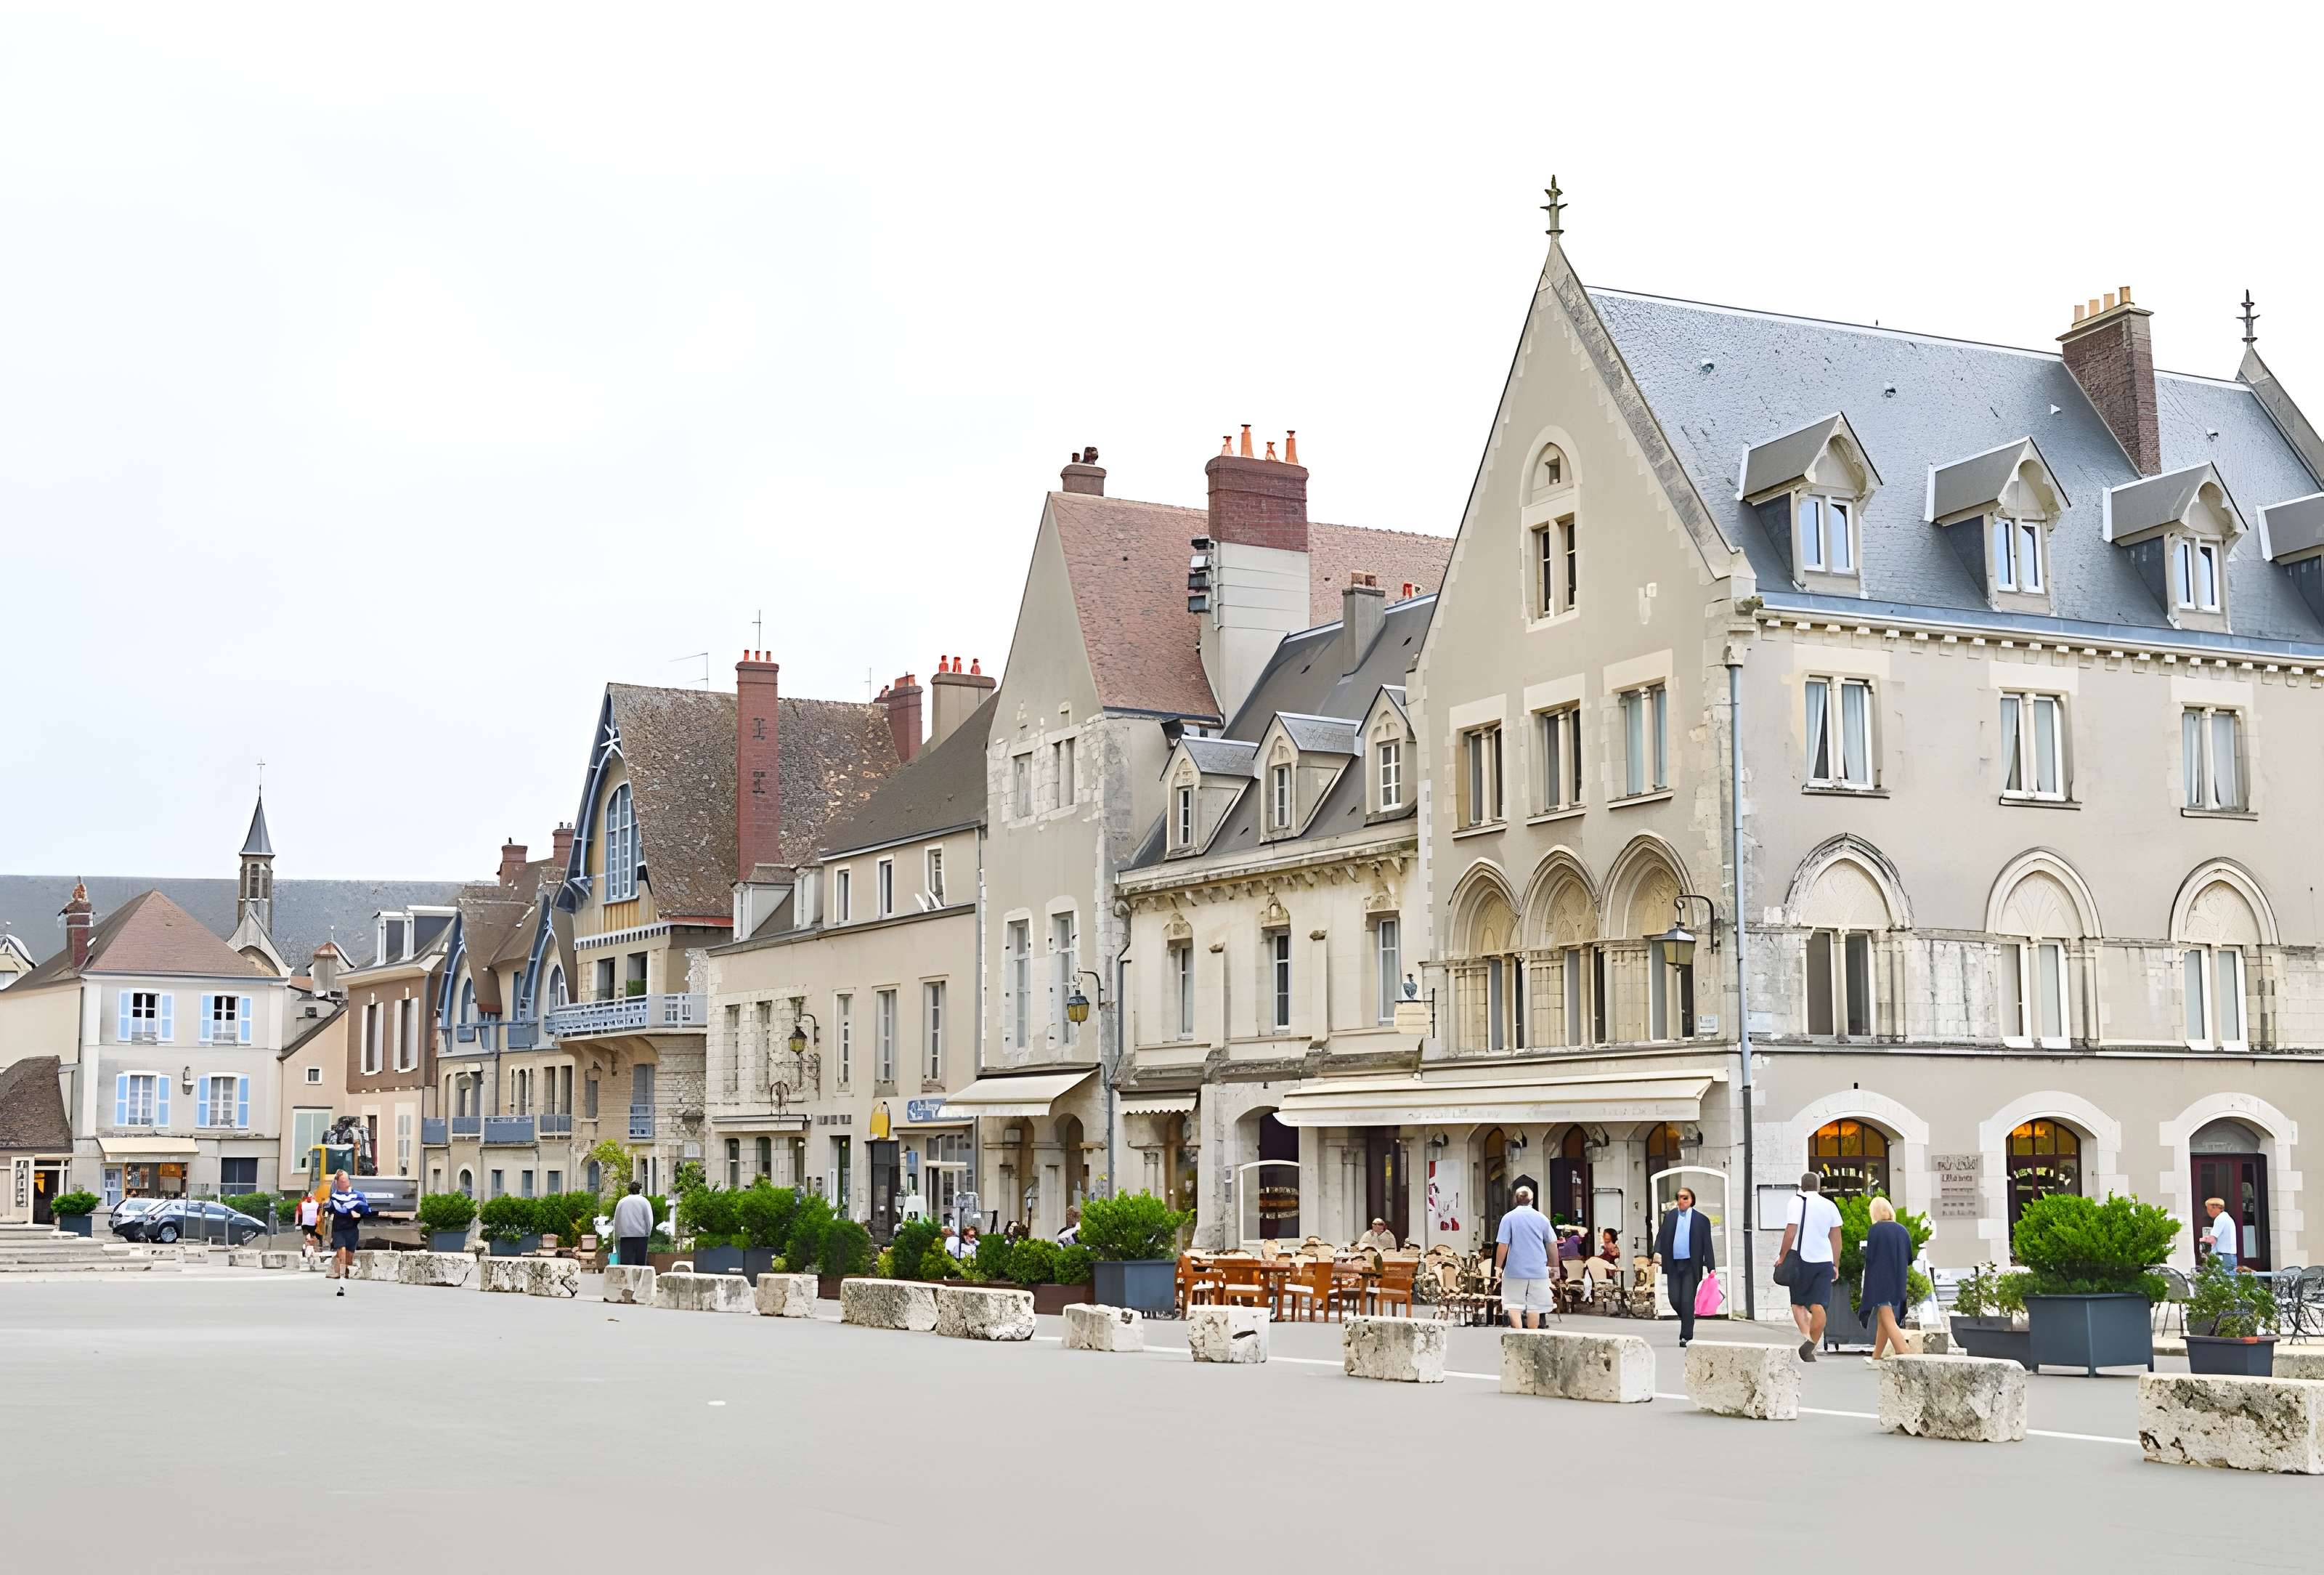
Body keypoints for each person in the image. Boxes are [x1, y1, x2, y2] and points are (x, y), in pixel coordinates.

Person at [1779, 1172, 1845, 1361]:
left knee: (1798, 1303)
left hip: (1801, 1259)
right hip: (1824, 1260)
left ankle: (1808, 1336)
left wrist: (1782, 1256)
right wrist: (1835, 1263)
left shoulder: (1796, 1202)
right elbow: (1836, 1238)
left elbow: (1791, 1231)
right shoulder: (1829, 1205)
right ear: (1818, 1186)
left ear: (1802, 1185)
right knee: (1819, 1305)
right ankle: (1811, 1345)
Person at [1652, 1186, 1716, 1347]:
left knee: (1687, 1300)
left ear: (1692, 1200)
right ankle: (1688, 1318)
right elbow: (1662, 1235)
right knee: (1674, 1299)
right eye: (1679, 1197)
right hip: (1673, 1264)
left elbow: (1707, 1244)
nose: (1681, 1201)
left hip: (1691, 1266)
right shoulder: (1671, 1216)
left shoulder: (1701, 1220)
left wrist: (1711, 1266)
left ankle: (1686, 1336)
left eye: (1685, 1198)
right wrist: (1657, 1252)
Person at [1494, 1184, 1556, 1329]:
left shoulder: (1508, 1218)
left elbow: (1503, 1245)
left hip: (1514, 1271)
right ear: (1532, 1201)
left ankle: (1519, 1334)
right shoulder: (1542, 1219)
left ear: (1515, 1200)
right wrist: (1555, 1268)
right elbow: (1552, 1244)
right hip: (1538, 1271)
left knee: (1513, 1306)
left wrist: (1498, 1267)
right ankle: (1532, 1336)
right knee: (1534, 1306)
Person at [1860, 1196, 1913, 1361]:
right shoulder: (1902, 1230)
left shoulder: (1875, 1230)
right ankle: (1877, 1356)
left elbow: (1871, 1256)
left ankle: (1903, 1351)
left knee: (1886, 1315)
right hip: (1898, 1278)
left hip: (1880, 1278)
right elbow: (1910, 1257)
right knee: (1883, 1316)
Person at [324, 1171, 370, 1295]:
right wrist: (327, 1209)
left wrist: (358, 1214)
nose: (344, 1183)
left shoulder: (358, 1195)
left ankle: (338, 1263)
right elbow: (327, 1209)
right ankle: (342, 1286)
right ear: (337, 1183)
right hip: (338, 1230)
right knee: (343, 1254)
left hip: (352, 1230)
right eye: (342, 1181)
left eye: (346, 1181)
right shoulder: (334, 1196)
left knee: (348, 1260)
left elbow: (367, 1211)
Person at [612, 1181, 654, 1268]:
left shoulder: (622, 1202)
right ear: (640, 1190)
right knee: (641, 1267)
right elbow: (649, 1220)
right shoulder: (644, 1202)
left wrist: (617, 1237)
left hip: (625, 1237)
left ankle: (628, 1282)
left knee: (626, 1267)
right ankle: (639, 1282)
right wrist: (648, 1233)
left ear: (629, 1190)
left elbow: (616, 1221)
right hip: (641, 1237)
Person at [2200, 1197, 2239, 1269]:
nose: (2208, 1212)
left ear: (2216, 1207)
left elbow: (2212, 1239)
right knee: (2229, 1278)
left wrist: (2202, 1240)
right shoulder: (2227, 1217)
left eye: (2209, 1209)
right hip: (2230, 1256)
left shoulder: (2220, 1219)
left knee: (2222, 1278)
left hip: (2223, 1257)